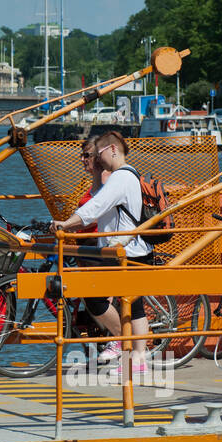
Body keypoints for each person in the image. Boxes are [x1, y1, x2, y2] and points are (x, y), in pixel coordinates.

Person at [49, 130, 152, 375]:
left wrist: (66, 224)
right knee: (134, 307)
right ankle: (136, 359)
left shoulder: (120, 178)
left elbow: (96, 207)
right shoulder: (128, 176)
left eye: (100, 154)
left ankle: (132, 354)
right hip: (126, 250)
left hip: (125, 252)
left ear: (112, 150)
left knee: (100, 296)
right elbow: (97, 203)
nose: (98, 159)